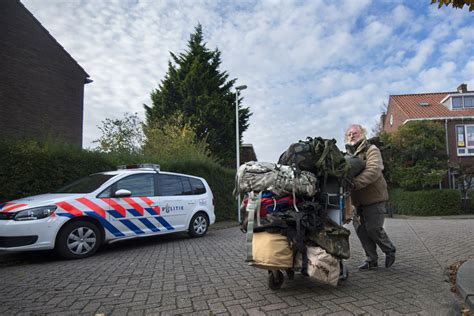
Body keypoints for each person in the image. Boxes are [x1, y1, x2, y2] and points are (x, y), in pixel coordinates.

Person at [345, 124, 396, 270]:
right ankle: (371, 259)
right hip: (357, 201)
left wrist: (355, 183)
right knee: (361, 231)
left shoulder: (371, 150)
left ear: (363, 134)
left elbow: (374, 170)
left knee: (373, 228)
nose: (351, 135)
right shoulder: (347, 156)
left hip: (374, 198)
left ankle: (389, 250)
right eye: (349, 134)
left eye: (355, 133)